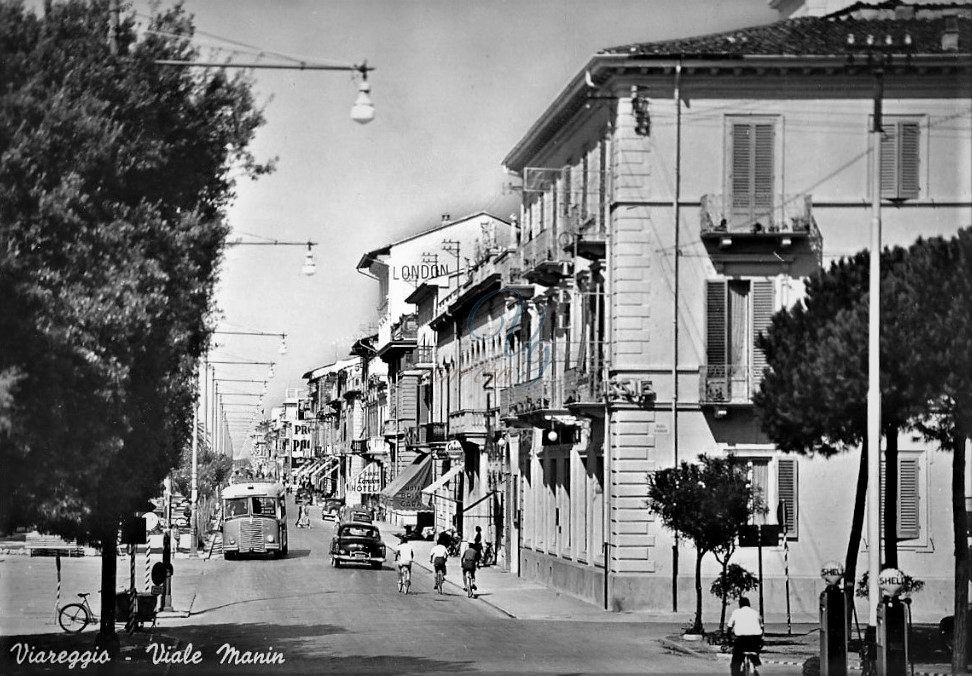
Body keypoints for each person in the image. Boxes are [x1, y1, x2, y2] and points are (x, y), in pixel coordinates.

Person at [727, 597, 763, 676]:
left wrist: (729, 641)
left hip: (741, 640)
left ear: (740, 605)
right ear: (749, 604)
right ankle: (755, 660)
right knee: (755, 652)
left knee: (735, 664)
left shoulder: (736, 612)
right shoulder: (755, 613)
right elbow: (761, 627)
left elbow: (729, 628)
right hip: (755, 640)